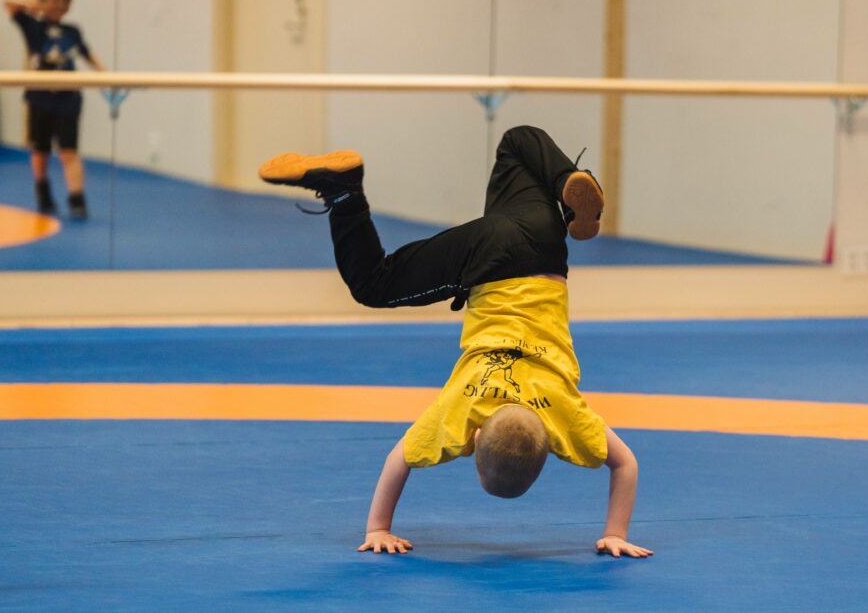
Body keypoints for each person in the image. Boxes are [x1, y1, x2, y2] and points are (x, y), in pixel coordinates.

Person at [258, 125, 652, 559]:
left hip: (544, 244)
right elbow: (399, 460)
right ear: (475, 437)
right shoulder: (463, 408)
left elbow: (625, 464)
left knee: (516, 140)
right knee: (373, 283)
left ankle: (566, 185)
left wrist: (616, 532)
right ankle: (344, 191)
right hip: (485, 259)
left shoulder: (565, 416)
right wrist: (378, 528)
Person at [4, 0, 105, 219]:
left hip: (68, 97)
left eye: (64, 0)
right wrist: (36, 6)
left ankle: (77, 198)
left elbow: (88, 55)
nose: (59, 4)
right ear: (41, 1)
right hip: (40, 96)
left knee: (69, 150)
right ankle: (42, 187)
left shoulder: (73, 31)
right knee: (40, 150)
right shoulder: (33, 26)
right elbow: (8, 3)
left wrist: (106, 76)